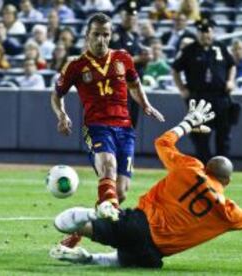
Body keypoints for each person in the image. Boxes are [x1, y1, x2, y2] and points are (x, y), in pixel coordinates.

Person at [49, 99, 242, 269]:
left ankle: (95, 213)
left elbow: (162, 142)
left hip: (138, 225)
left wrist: (188, 123)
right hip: (153, 254)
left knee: (64, 222)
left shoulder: (191, 167)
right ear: (227, 181)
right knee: (122, 260)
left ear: (207, 166)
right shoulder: (227, 211)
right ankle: (89, 258)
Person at [51, 12, 164, 247]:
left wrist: (145, 104)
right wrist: (62, 114)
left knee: (119, 193)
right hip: (97, 127)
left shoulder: (123, 58)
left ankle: (79, 231)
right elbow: (56, 95)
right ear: (87, 35)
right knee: (108, 168)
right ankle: (105, 229)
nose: (101, 40)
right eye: (96, 35)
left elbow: (134, 84)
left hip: (125, 128)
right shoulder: (76, 65)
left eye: (106, 34)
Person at [172, 18, 236, 163]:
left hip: (220, 96)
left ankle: (222, 167)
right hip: (199, 97)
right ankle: (204, 166)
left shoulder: (220, 47)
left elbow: (231, 64)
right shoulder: (189, 50)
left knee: (223, 134)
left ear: (212, 32)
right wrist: (181, 88)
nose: (204, 35)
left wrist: (231, 80)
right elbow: (175, 69)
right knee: (200, 136)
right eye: (201, 31)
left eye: (207, 31)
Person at [110, 0, 152, 128]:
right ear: (122, 16)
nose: (131, 18)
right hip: (121, 87)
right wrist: (139, 59)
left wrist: (145, 58)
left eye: (134, 15)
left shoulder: (135, 36)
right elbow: (116, 61)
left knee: (132, 123)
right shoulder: (116, 35)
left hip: (135, 86)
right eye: (128, 15)